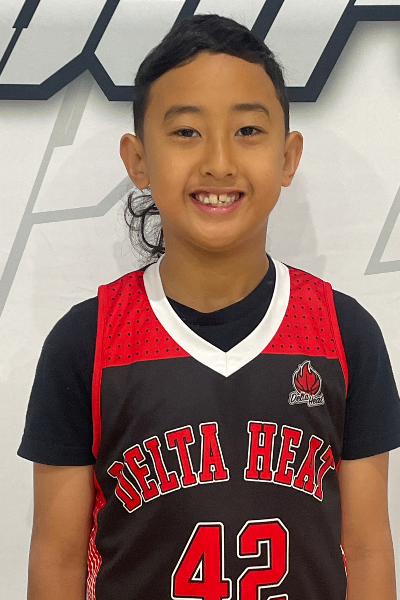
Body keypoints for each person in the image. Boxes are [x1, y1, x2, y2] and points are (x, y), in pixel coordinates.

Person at [18, 13, 400, 600]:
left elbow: (369, 550)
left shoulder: (344, 334)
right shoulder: (86, 342)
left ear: (288, 157)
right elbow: (58, 556)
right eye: (186, 131)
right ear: (138, 159)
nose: (219, 161)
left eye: (247, 130)